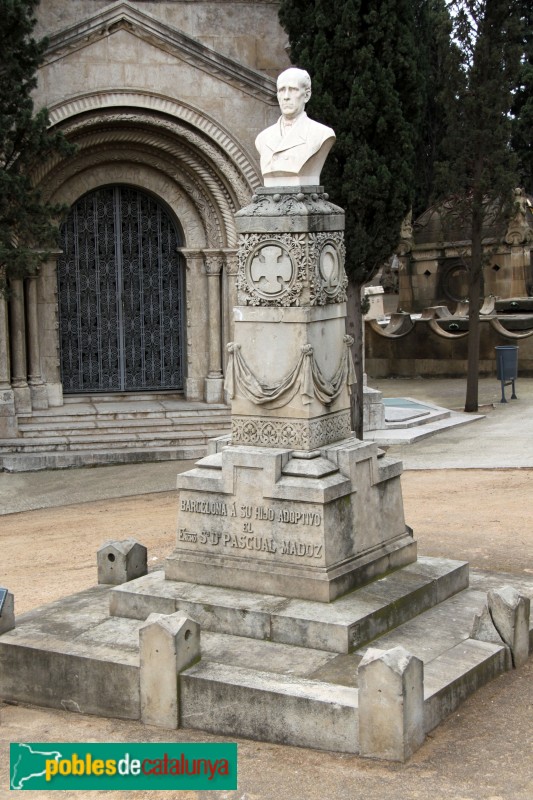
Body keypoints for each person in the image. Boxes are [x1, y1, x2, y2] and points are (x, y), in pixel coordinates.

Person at [255, 67, 335, 187]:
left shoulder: (322, 134)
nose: (286, 96)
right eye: (282, 90)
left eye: (293, 90)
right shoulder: (263, 138)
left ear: (306, 95)